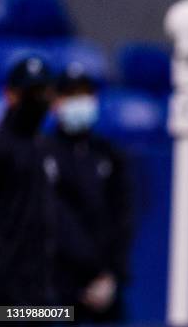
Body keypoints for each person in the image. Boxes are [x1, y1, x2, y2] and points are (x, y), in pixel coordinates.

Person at [49, 63, 132, 323]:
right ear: (56, 102)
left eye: (84, 94)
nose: (79, 102)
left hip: (105, 290)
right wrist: (89, 271)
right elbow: (54, 220)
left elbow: (123, 217)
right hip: (55, 288)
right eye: (71, 95)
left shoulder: (109, 154)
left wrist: (111, 275)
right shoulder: (42, 152)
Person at [0, 54, 59, 306]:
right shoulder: (2, 148)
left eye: (44, 93)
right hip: (5, 293)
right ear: (11, 95)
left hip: (42, 290)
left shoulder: (46, 148)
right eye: (32, 92)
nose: (39, 101)